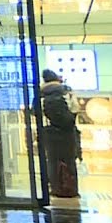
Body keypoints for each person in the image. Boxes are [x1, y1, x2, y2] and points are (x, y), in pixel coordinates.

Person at [40, 69, 81, 198]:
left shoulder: (41, 94)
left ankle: (56, 188)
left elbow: (34, 112)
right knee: (69, 160)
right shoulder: (66, 93)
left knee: (52, 161)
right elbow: (75, 108)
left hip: (50, 133)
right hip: (67, 133)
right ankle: (70, 189)